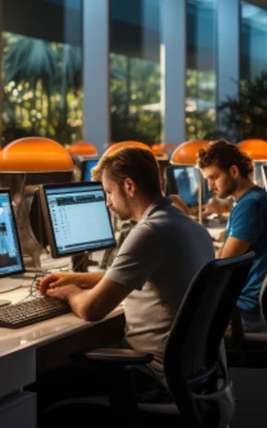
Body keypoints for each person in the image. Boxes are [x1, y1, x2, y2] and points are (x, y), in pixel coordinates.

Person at [37, 146, 214, 386]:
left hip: (151, 374)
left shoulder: (149, 233)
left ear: (129, 186)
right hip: (193, 373)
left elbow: (92, 310)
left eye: (109, 192)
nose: (107, 203)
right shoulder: (188, 226)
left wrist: (69, 292)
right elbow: (124, 277)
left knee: (42, 383)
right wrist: (74, 278)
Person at [196, 140, 267, 331]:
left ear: (234, 171)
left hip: (243, 311)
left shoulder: (251, 204)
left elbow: (223, 264)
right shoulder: (253, 199)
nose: (210, 186)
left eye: (214, 177)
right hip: (248, 305)